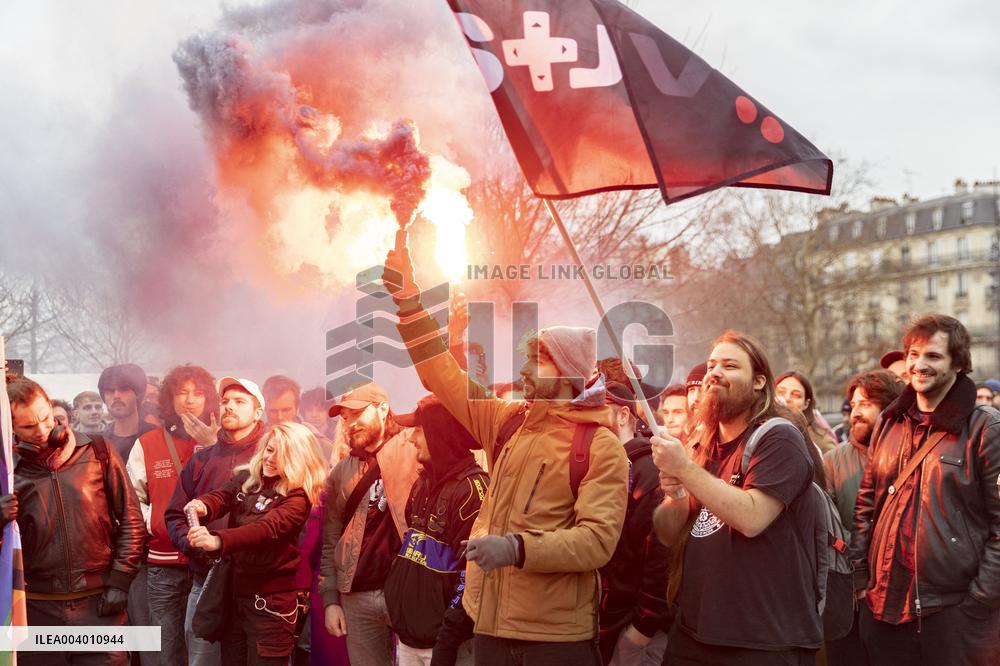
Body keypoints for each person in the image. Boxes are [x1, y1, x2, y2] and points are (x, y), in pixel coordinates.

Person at [383, 244, 629, 665]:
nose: (525, 372)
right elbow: (441, 375)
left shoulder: (599, 446)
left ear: (571, 373)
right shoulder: (507, 420)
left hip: (555, 641)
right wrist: (408, 304)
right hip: (490, 629)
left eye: (539, 363)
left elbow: (597, 542)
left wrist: (517, 548)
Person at [651, 331, 822, 665]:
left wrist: (685, 470)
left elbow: (752, 518)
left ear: (759, 382)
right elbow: (668, 533)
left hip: (761, 640)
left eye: (730, 366)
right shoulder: (702, 446)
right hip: (693, 632)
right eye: (712, 364)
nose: (714, 372)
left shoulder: (778, 438)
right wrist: (675, 495)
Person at [850, 315, 1000, 665]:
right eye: (914, 354)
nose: (918, 364)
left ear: (958, 364)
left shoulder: (986, 429)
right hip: (883, 608)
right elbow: (866, 504)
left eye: (933, 356)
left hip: (951, 613)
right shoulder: (889, 421)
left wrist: (978, 602)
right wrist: (861, 580)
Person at [7, 375, 144, 666]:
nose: (43, 430)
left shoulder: (99, 451)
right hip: (35, 610)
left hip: (98, 606)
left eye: (45, 418)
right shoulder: (6, 472)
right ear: (10, 427)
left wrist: (120, 581)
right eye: (29, 426)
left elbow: (132, 520)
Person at [185, 422, 326, 665]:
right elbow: (222, 496)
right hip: (234, 597)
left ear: (298, 459)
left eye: (281, 454)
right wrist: (204, 505)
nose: (271, 458)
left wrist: (218, 540)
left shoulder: (297, 497)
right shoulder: (248, 478)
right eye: (269, 449)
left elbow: (265, 530)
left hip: (270, 606)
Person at [164, 377, 268, 666]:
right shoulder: (201, 460)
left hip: (257, 586)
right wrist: (195, 544)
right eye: (225, 402)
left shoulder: (270, 457)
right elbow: (176, 513)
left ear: (258, 412)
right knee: (202, 661)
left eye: (239, 401)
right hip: (206, 580)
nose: (229, 407)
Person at [384, 395, 489, 666]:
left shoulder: (472, 490)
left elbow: (475, 575)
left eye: (419, 430)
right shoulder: (423, 482)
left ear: (441, 433)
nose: (410, 438)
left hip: (448, 647)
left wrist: (449, 639)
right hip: (409, 640)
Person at [319, 383, 419, 666]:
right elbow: (331, 540)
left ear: (383, 408)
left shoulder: (414, 448)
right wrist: (331, 600)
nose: (350, 423)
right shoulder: (341, 471)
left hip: (408, 589)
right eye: (345, 418)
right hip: (358, 595)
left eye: (357, 414)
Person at [127, 364, 220, 666]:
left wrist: (211, 445)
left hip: (210, 563)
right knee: (165, 650)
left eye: (198, 393)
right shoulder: (147, 443)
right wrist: (155, 522)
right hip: (163, 560)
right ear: (169, 399)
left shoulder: (222, 443)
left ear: (210, 399)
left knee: (204, 649)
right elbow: (133, 499)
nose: (190, 399)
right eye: (182, 393)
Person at [822, 369, 901, 665]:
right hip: (850, 599)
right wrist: (856, 578)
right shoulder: (832, 462)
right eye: (853, 405)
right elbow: (827, 531)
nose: (855, 412)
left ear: (889, 408)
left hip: (900, 599)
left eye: (865, 404)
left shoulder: (912, 456)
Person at [598, 380, 670, 666]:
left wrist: (642, 628)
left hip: (633, 630)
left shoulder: (651, 470)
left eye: (598, 412)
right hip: (601, 624)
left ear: (623, 415)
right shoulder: (596, 467)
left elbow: (661, 553)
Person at [100, 363, 157, 460]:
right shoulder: (99, 444)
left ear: (138, 394)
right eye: (110, 391)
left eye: (124, 389)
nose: (116, 395)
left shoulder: (158, 438)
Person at [776, 371, 838, 454]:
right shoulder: (759, 427)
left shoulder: (819, 440)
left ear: (806, 404)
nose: (787, 398)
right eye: (781, 392)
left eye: (796, 395)